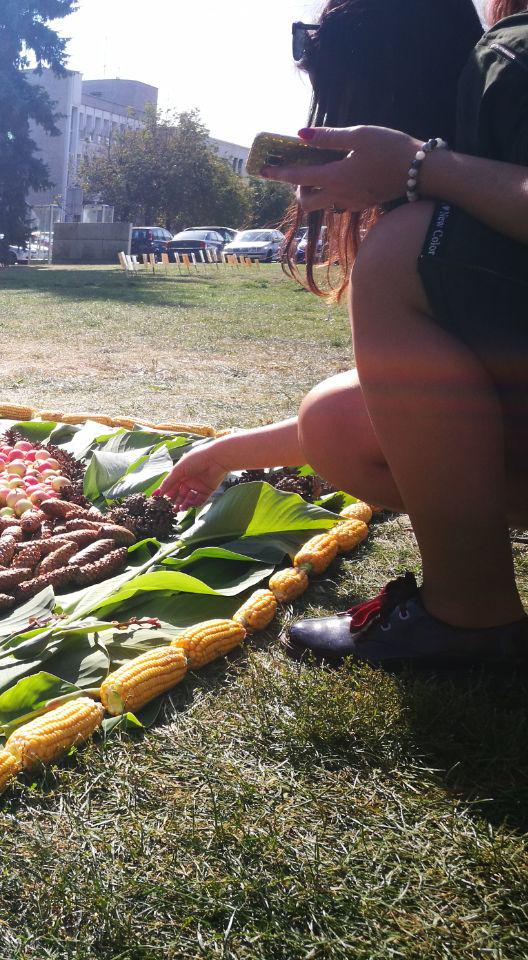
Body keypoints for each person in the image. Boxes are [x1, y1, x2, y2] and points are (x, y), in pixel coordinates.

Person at [159, 0, 528, 668]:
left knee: (402, 248)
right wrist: (230, 452)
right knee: (334, 420)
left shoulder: (512, 56)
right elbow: (420, 410)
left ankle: (470, 617)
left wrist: (418, 166)